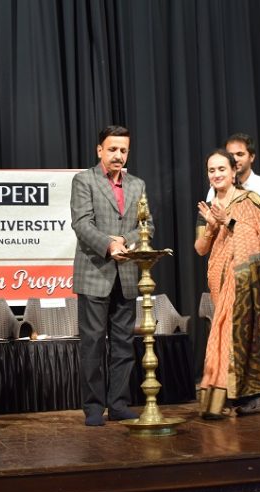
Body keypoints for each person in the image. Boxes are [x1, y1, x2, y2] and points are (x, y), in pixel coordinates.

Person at [70, 125, 152, 426]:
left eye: (123, 150)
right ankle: (93, 408)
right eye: (112, 149)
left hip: (127, 273)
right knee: (92, 343)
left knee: (123, 344)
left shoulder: (137, 184)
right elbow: (81, 223)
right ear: (100, 150)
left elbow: (147, 224)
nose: (118, 155)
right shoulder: (84, 180)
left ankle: (118, 404)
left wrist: (126, 241)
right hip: (95, 271)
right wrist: (109, 245)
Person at [195, 149, 260, 419]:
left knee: (233, 333)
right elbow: (200, 249)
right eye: (211, 170)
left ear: (234, 172)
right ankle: (241, 398)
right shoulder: (208, 206)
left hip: (243, 278)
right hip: (218, 278)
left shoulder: (249, 200)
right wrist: (212, 227)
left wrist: (228, 221)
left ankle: (226, 397)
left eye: (222, 169)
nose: (216, 174)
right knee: (226, 333)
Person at [206, 133, 260, 248]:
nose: (235, 159)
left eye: (240, 154)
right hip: (222, 256)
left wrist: (251, 253)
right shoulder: (214, 190)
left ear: (251, 157)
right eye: (230, 155)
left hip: (256, 256)